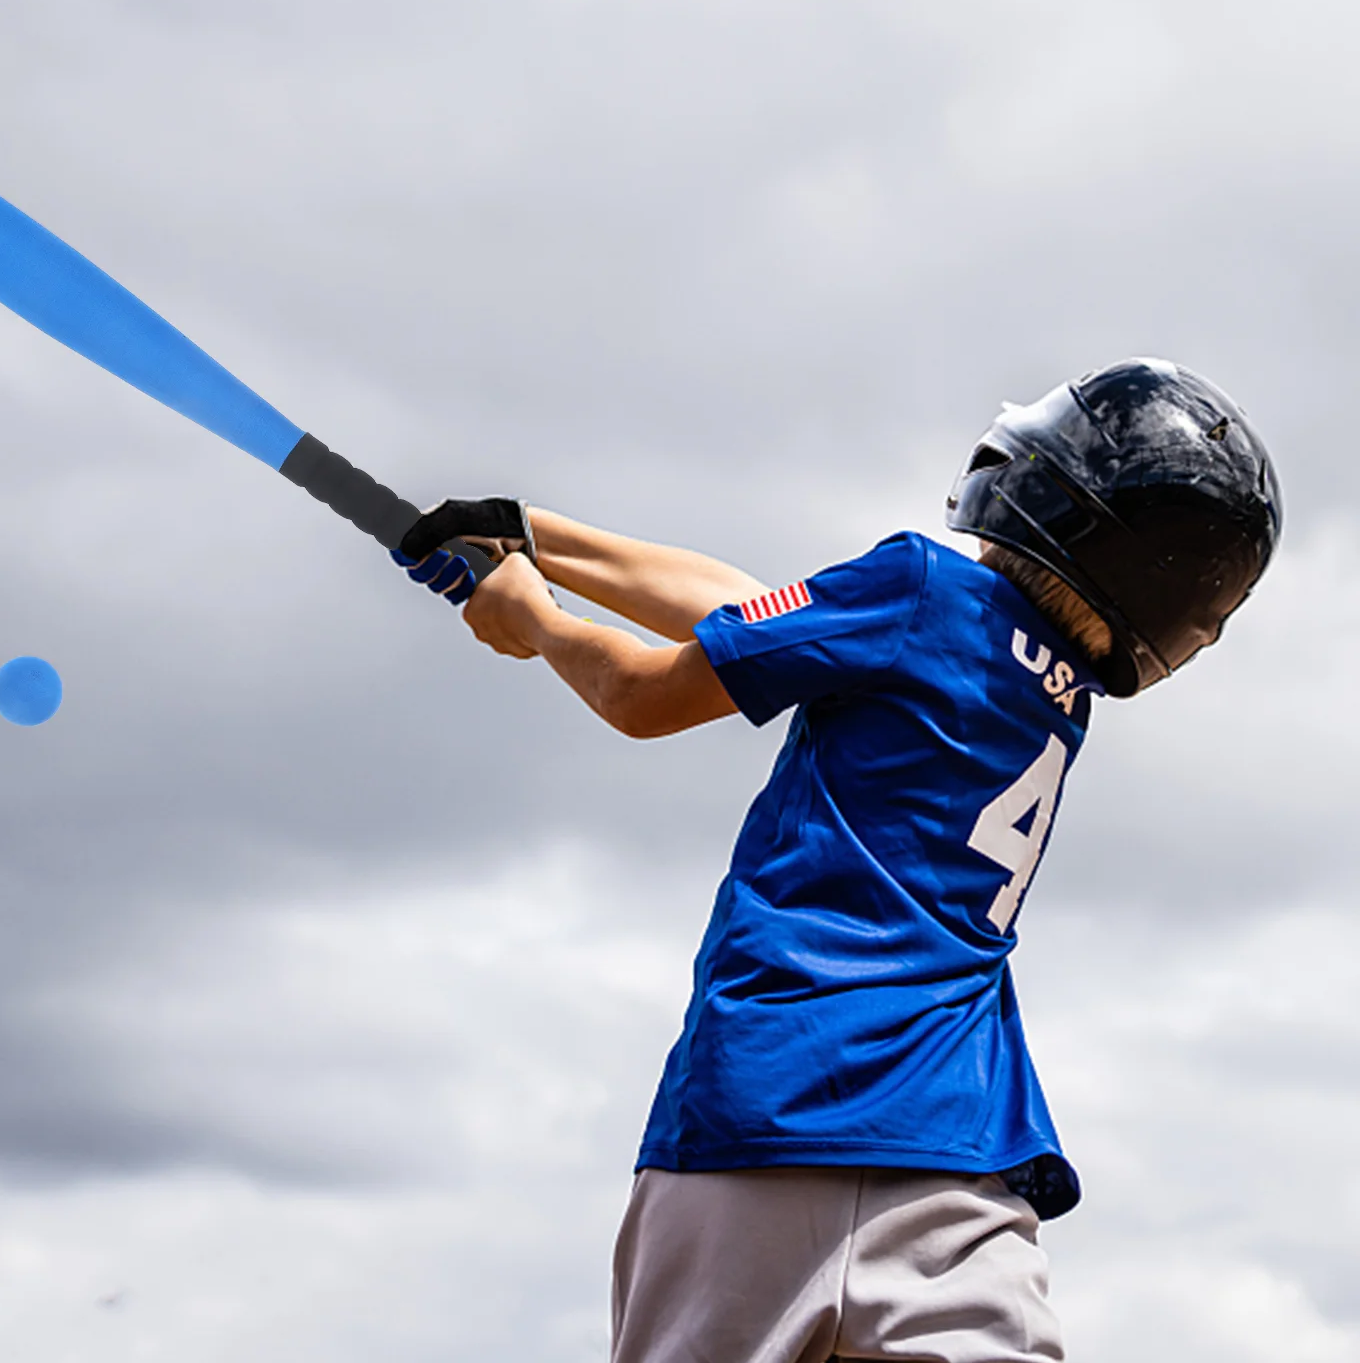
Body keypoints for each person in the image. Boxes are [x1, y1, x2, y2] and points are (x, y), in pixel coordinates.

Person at [394, 359, 1282, 1363]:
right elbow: (758, 611)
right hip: (954, 1165)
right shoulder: (1052, 687)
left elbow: (644, 696)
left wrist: (536, 619)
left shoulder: (919, 586)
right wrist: (531, 531)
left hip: (764, 1115)